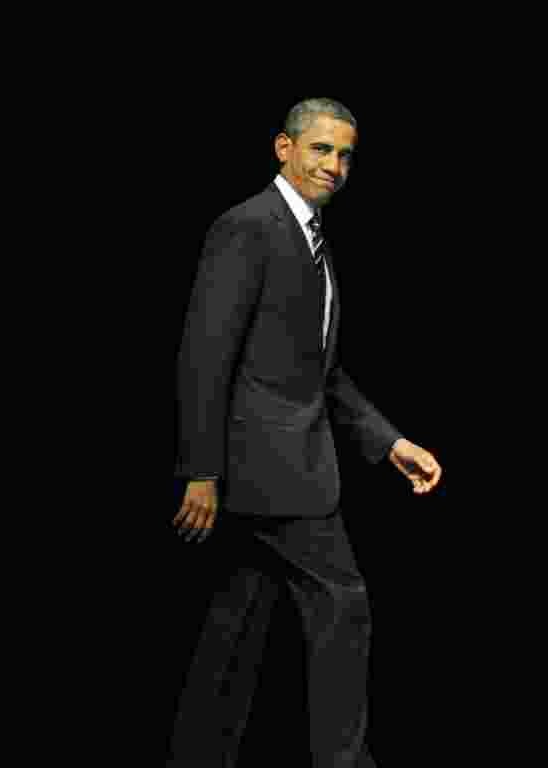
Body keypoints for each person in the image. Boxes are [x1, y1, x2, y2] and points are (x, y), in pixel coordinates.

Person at [168, 97, 442, 767]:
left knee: (235, 628)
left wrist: (390, 443)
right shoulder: (248, 227)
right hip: (269, 474)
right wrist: (200, 471)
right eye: (321, 149)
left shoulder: (310, 241)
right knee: (343, 606)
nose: (335, 165)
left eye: (346, 154)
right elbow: (204, 354)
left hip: (280, 469)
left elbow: (321, 373)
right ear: (283, 148)